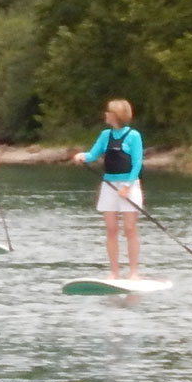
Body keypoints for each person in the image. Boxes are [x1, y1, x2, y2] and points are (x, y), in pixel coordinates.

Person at [74, 99, 144, 280]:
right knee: (111, 229)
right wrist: (82, 156)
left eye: (108, 112)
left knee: (129, 229)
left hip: (128, 185)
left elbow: (137, 163)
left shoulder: (133, 135)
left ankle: (133, 272)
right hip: (109, 186)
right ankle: (114, 272)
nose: (105, 114)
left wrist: (127, 186)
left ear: (116, 115)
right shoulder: (105, 135)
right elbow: (92, 154)